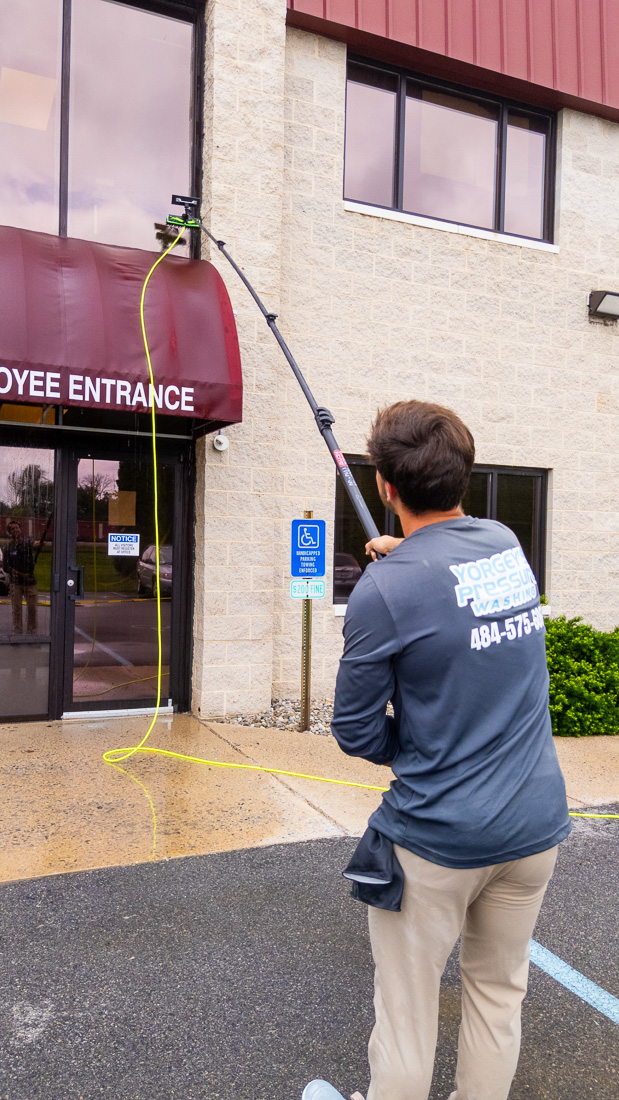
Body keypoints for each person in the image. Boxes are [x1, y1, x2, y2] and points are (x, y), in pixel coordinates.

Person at [306, 400, 570, 1100]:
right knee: (495, 994)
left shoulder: (382, 592)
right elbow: (457, 579)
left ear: (384, 488)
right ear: (463, 476)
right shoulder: (505, 543)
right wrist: (408, 556)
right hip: (533, 827)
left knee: (405, 1012)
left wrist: (418, 748)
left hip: (438, 839)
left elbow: (356, 731)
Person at [3, 519, 40, 634]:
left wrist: (39, 543)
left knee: (32, 609)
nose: (15, 530)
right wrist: (14, 572)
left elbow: (34, 544)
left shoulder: (27, 541)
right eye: (12, 529)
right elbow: (5, 567)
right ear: (10, 532)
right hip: (15, 583)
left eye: (17, 527)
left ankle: (32, 632)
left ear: (20, 529)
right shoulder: (8, 548)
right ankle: (17, 633)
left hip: (30, 582)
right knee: (17, 610)